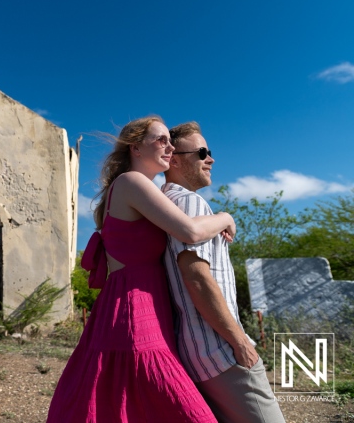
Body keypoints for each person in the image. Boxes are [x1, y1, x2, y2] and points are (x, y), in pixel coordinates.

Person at [47, 115, 235, 423]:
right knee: (184, 409)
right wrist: (225, 217)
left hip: (137, 304)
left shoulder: (140, 188)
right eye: (161, 140)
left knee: (132, 404)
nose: (169, 147)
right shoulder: (131, 182)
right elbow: (189, 231)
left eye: (170, 141)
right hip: (134, 310)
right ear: (136, 147)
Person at [162, 122, 285, 423]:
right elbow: (197, 278)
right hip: (221, 351)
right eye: (202, 152)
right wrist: (240, 342)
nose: (211, 159)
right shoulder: (190, 202)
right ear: (174, 159)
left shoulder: (165, 204)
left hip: (199, 351)